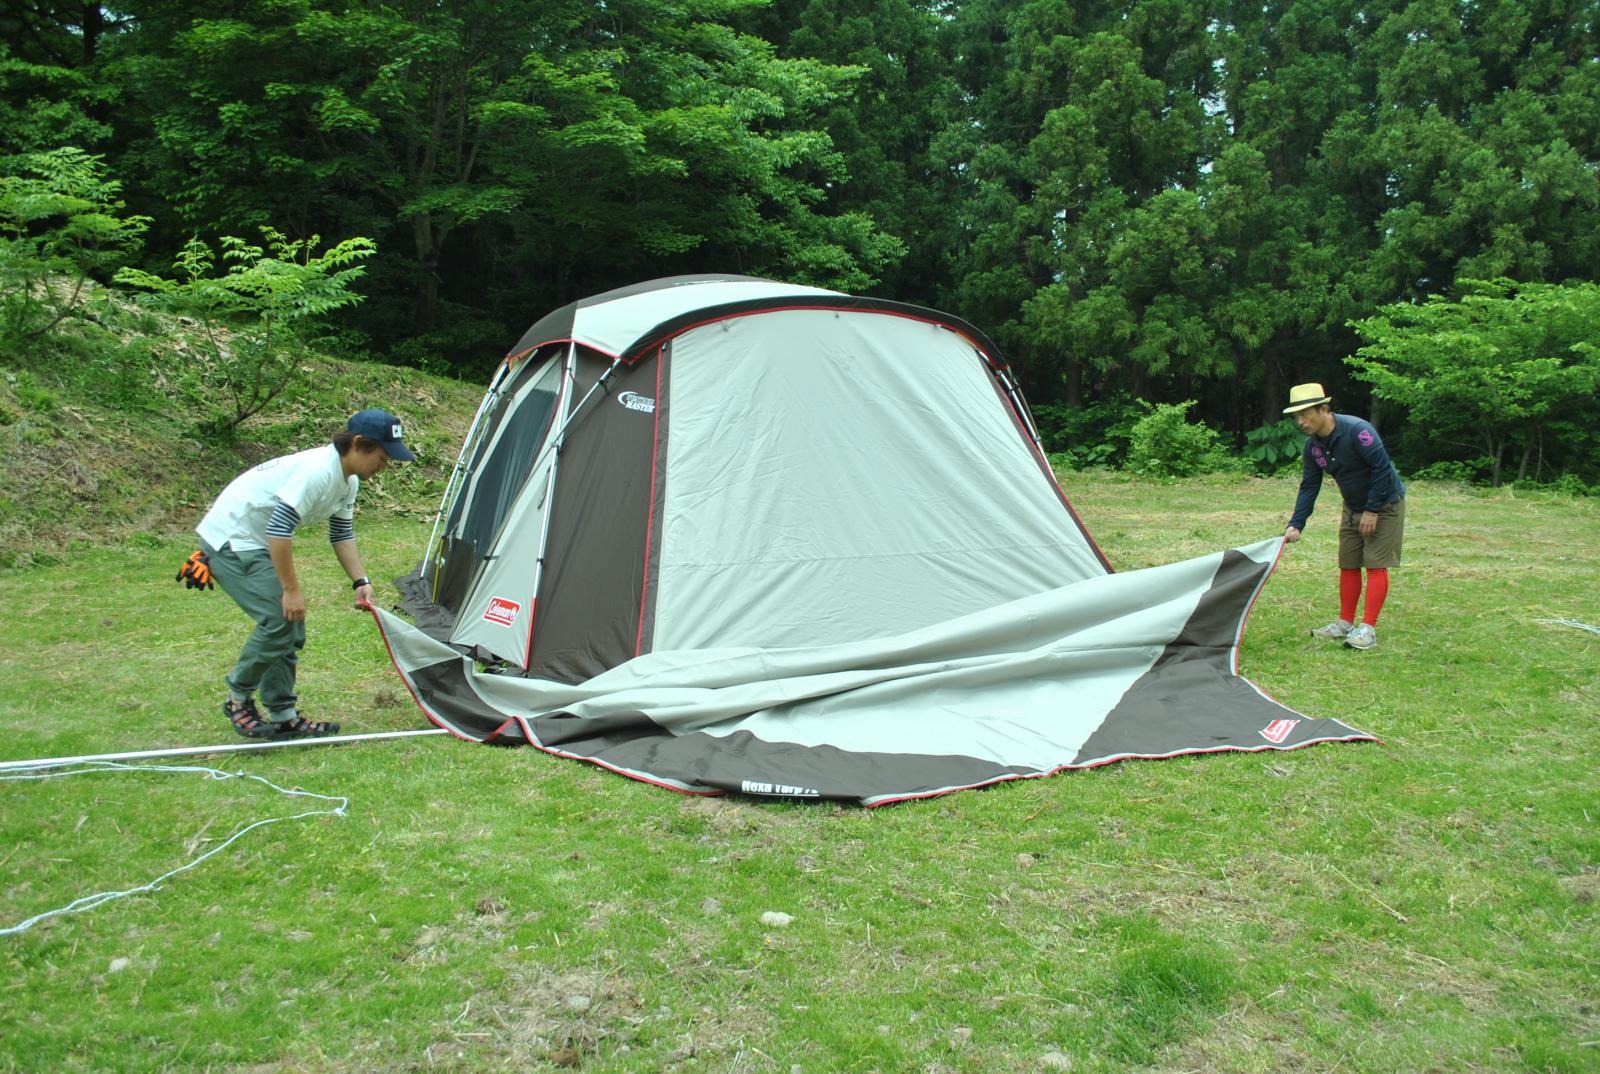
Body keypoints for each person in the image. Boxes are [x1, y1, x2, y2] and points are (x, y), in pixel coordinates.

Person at [193, 408, 415, 738]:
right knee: (280, 619)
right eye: (381, 458)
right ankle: (238, 699)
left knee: (289, 627)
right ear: (357, 444)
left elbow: (341, 534)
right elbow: (278, 531)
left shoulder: (348, 481)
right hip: (232, 539)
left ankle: (284, 716)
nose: (383, 468)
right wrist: (290, 589)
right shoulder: (317, 471)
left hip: (256, 540)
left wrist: (361, 580)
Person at [1282, 383, 1406, 651]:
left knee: (1374, 563)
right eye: (1296, 417)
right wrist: (1296, 524)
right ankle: (1344, 623)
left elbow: (1382, 469)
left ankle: (1368, 629)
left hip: (1384, 503)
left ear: (1324, 409)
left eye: (1305, 414)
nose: (1300, 422)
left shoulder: (1358, 431)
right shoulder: (1312, 446)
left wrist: (1372, 509)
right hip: (1352, 506)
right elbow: (1309, 486)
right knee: (1348, 563)